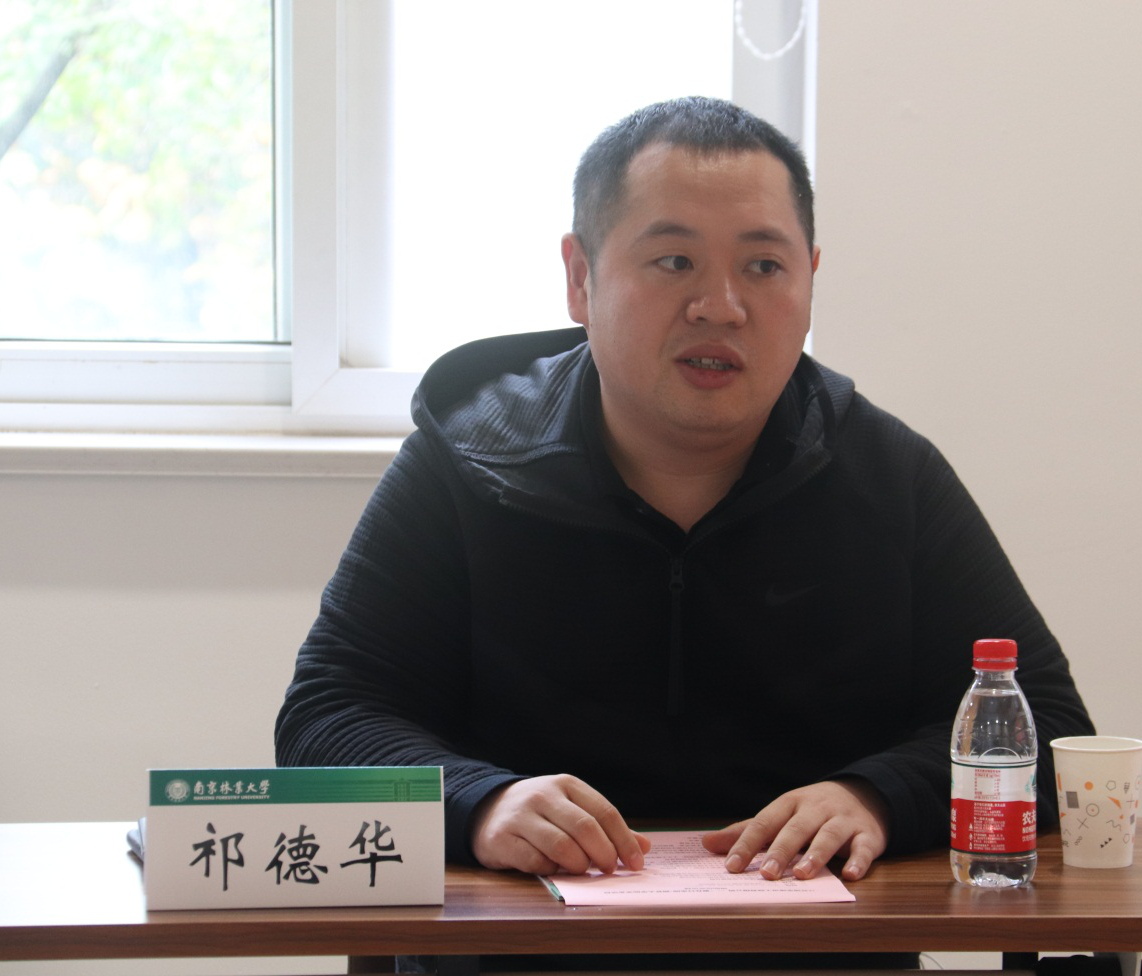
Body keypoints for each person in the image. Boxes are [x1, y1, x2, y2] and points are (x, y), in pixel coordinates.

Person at [275, 96, 1093, 889]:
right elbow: (325, 719)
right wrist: (479, 802)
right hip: (522, 945)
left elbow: (1050, 729)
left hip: (815, 947)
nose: (720, 308)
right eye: (674, 262)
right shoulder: (470, 459)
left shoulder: (887, 474)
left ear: (811, 280)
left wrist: (878, 796)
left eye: (764, 266)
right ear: (581, 278)